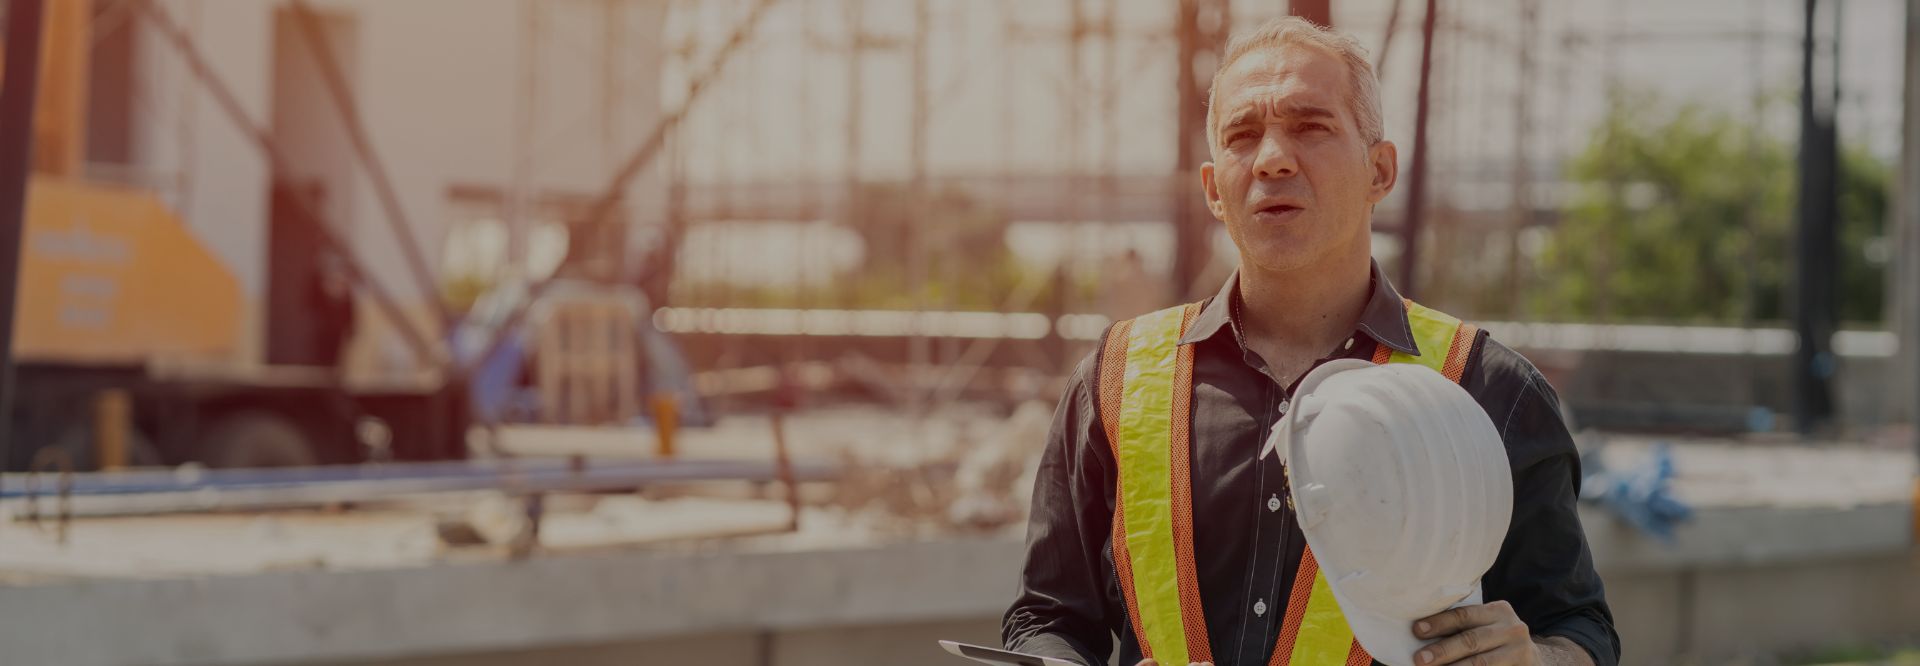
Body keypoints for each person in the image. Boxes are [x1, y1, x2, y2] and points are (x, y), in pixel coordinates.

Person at [1002, 17, 1617, 666]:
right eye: (1243, 136)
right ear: (1215, 189)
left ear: (1380, 170)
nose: (1272, 158)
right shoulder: (1117, 381)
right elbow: (1048, 616)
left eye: (1310, 127)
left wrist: (1537, 661)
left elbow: (1579, 630)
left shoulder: (1488, 390)